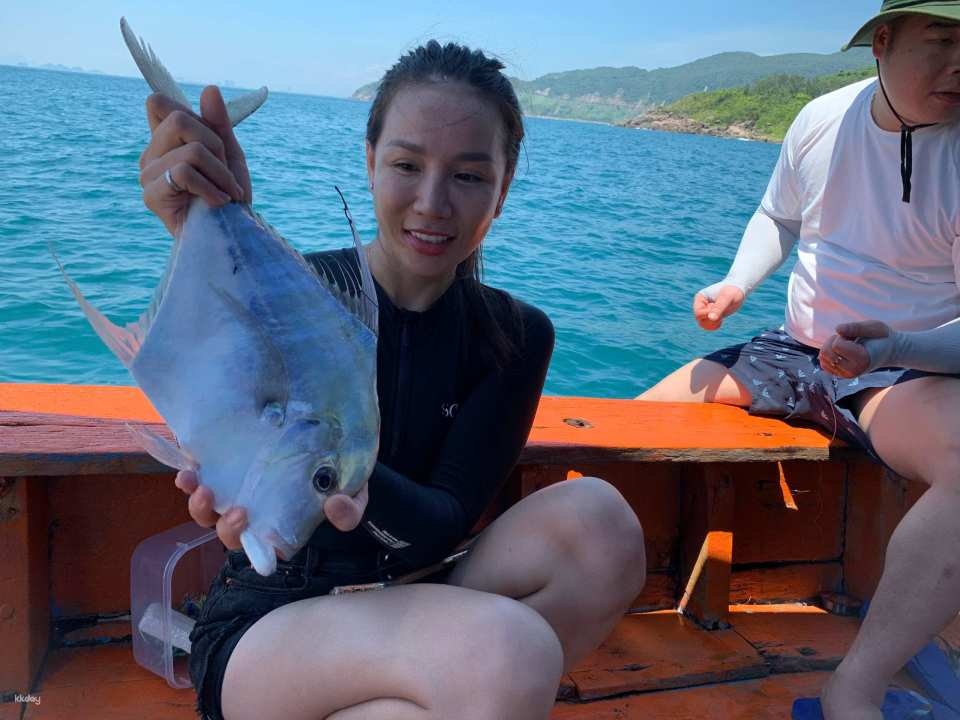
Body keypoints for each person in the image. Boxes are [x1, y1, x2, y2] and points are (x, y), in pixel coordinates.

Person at [138, 41, 646, 720]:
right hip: (270, 621)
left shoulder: (517, 333)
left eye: (468, 176)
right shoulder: (289, 300)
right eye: (407, 164)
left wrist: (341, 476)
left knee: (603, 525)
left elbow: (444, 521)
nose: (432, 203)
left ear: (506, 182)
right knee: (508, 651)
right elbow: (208, 393)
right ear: (370, 160)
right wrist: (189, 222)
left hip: (419, 583)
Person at [639, 2, 960, 718]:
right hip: (788, 351)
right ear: (883, 41)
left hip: (901, 376)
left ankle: (857, 683)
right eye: (943, 40)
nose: (959, 63)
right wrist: (736, 283)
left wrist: (894, 347)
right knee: (606, 430)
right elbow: (779, 216)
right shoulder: (821, 118)